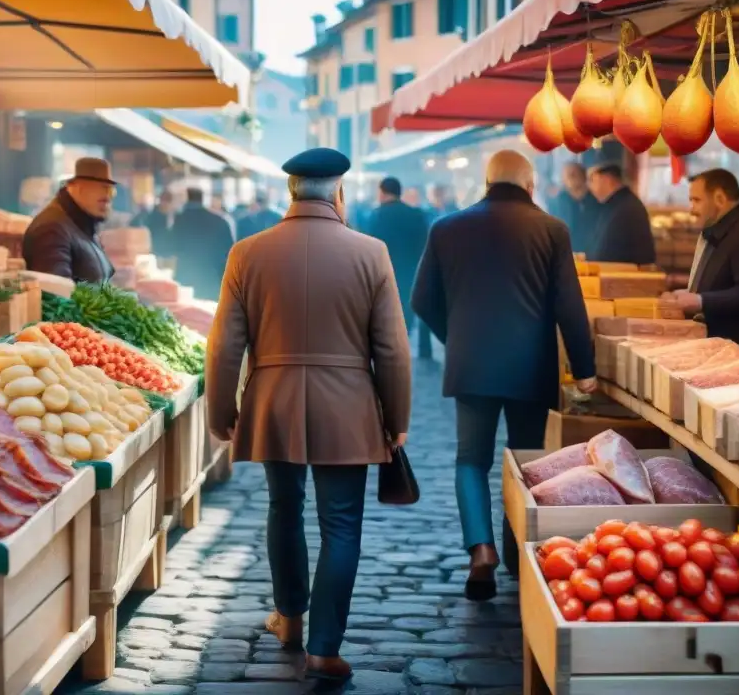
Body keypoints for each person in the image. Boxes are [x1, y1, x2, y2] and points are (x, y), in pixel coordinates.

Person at [205, 147, 411, 682]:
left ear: (290, 192)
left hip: (273, 400)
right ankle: (323, 649)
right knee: (341, 525)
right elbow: (391, 348)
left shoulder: (247, 253)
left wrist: (221, 409)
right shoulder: (371, 252)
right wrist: (398, 416)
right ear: (339, 193)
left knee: (283, 507)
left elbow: (225, 345)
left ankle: (290, 618)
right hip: (348, 406)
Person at [411, 149, 596, 600]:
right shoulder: (552, 229)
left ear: (486, 182)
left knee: (470, 460)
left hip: (471, 362)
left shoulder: (446, 228)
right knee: (525, 461)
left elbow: (421, 300)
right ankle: (518, 554)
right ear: (530, 186)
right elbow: (568, 306)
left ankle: (481, 551)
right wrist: (585, 369)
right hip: (530, 365)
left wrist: (454, 336)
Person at [663, 168, 739, 352]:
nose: (691, 208)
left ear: (719, 199)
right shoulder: (722, 233)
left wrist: (699, 300)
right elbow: (722, 284)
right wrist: (689, 292)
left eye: (697, 200)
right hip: (722, 351)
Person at [22, 157, 116, 282]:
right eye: (104, 189)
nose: (109, 197)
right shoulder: (52, 229)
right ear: (78, 188)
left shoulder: (82, 225)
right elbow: (55, 295)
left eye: (111, 190)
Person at [367, 177, 430, 333]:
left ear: (382, 193)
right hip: (410, 273)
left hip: (384, 273)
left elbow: (369, 246)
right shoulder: (416, 215)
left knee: (385, 318)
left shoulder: (376, 215)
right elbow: (424, 244)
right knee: (405, 318)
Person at [170, 188, 235, 301]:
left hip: (185, 276)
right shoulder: (220, 220)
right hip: (211, 278)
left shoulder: (178, 220)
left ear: (187, 198)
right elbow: (230, 253)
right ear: (203, 199)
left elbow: (170, 246)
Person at [587, 163, 657, 264]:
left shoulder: (627, 207)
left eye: (593, 180)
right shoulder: (615, 203)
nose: (590, 187)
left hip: (624, 275)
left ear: (607, 179)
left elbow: (611, 253)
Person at [549, 162, 600, 256]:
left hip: (593, 252)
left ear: (583, 176)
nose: (570, 177)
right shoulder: (558, 201)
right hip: (566, 252)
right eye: (567, 175)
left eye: (574, 174)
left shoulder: (596, 199)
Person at [131, 188, 176, 257]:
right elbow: (136, 225)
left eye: (168, 202)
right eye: (164, 201)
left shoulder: (173, 216)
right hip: (154, 251)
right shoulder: (150, 216)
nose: (166, 205)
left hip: (168, 252)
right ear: (160, 201)